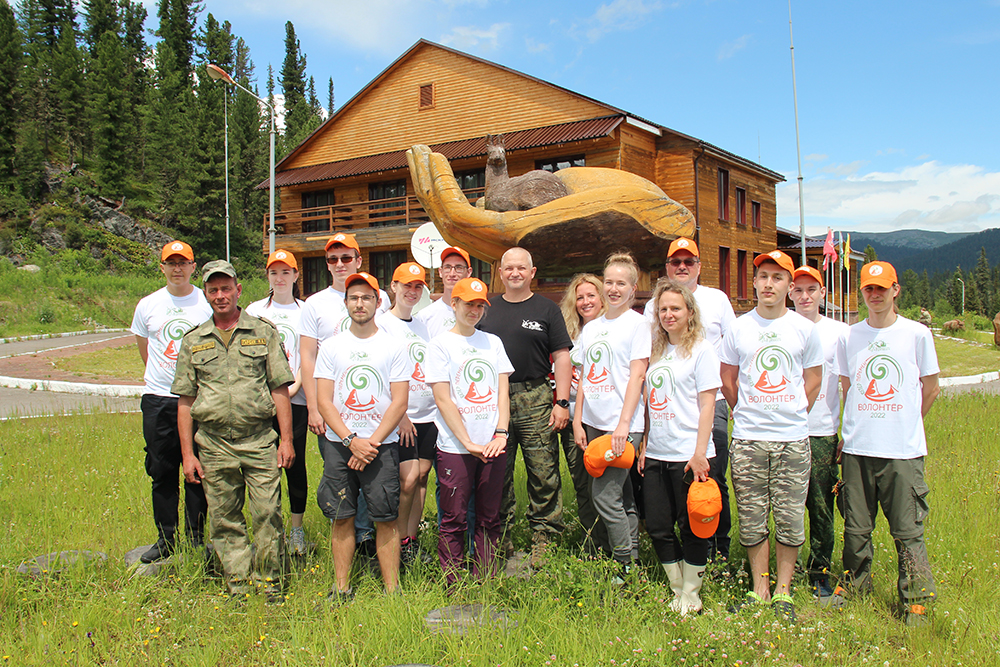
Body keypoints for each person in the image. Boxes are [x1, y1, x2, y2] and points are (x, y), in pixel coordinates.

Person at [172, 260, 295, 600]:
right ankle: (238, 585)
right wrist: (188, 454)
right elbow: (186, 400)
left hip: (259, 439)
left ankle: (269, 583)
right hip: (213, 444)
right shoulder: (194, 340)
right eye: (213, 290)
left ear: (238, 290)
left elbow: (279, 388)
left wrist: (286, 440)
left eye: (226, 288)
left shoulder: (263, 332)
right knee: (224, 518)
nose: (220, 295)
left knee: (267, 513)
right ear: (206, 294)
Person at [720, 250, 822, 623]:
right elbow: (728, 378)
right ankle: (759, 589)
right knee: (752, 515)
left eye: (777, 278)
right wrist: (748, 410)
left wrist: (791, 412)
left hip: (792, 440)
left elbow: (813, 380)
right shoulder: (739, 328)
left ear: (789, 287)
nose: (768, 284)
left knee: (790, 516)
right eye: (763, 276)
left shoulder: (804, 329)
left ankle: (783, 591)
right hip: (748, 439)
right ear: (754, 282)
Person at [837, 261, 940, 627]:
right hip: (858, 449)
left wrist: (906, 421)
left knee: (908, 531)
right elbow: (848, 387)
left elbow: (931, 388)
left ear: (896, 290)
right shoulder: (849, 336)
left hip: (902, 452)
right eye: (869, 288)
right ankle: (853, 588)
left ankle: (916, 601)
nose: (875, 294)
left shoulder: (916, 334)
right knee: (855, 528)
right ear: (862, 293)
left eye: (882, 288)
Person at [314, 272, 409, 599]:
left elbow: (399, 401)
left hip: (382, 447)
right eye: (354, 298)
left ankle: (392, 590)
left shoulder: (393, 346)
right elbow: (324, 401)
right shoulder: (331, 347)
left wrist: (371, 443)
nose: (360, 303)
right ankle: (341, 588)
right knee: (342, 517)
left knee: (386, 517)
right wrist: (351, 441)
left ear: (377, 302)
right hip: (340, 445)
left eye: (366, 297)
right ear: (345, 303)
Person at [478, 247, 572, 567]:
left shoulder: (547, 309)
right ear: (500, 273)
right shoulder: (487, 309)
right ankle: (499, 538)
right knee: (497, 473)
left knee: (543, 472)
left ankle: (545, 538)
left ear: (532, 273)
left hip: (536, 398)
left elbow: (561, 356)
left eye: (521, 268)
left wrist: (561, 402)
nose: (515, 273)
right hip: (495, 401)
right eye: (509, 268)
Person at [644, 237, 736, 562]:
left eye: (688, 261)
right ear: (667, 267)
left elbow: (733, 350)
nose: (682, 267)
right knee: (672, 485)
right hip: (670, 401)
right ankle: (683, 551)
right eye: (676, 262)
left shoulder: (718, 299)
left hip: (711, 398)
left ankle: (717, 548)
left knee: (711, 477)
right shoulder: (653, 305)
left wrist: (733, 395)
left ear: (699, 265)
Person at [299, 233, 390, 557]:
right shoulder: (314, 304)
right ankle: (351, 535)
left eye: (346, 258)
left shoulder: (381, 297)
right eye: (333, 259)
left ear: (358, 260)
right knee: (341, 479)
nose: (339, 264)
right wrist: (313, 407)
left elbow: (388, 351)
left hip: (373, 410)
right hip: (333, 410)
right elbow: (307, 356)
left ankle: (367, 537)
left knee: (372, 474)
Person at [425, 277, 513, 584]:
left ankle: (485, 578)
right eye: (468, 304)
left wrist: (501, 433)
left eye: (479, 306)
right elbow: (442, 398)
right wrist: (466, 441)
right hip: (455, 446)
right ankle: (453, 581)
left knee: (489, 516)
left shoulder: (493, 343)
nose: (474, 311)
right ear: (454, 304)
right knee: (454, 517)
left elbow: (502, 393)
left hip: (492, 444)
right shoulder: (439, 345)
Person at [641, 279, 721, 615]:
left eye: (675, 308)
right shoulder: (655, 351)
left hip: (690, 455)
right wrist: (645, 443)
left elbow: (708, 405)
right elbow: (649, 402)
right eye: (663, 309)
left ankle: (692, 593)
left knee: (693, 527)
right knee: (658, 526)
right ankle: (677, 589)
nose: (668, 314)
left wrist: (700, 452)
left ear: (690, 312)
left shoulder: (702, 350)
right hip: (657, 453)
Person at [131, 241, 211, 563]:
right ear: (162, 267)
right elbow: (145, 348)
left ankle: (195, 537)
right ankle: (166, 537)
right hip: (159, 399)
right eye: (171, 263)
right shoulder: (148, 304)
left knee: (197, 469)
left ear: (193, 267)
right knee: (161, 469)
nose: (177, 268)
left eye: (183, 262)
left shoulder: (206, 303)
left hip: (199, 398)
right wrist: (163, 381)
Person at [573, 252, 650, 581]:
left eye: (621, 283)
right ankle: (633, 558)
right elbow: (585, 376)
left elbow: (638, 376)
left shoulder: (638, 325)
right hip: (594, 422)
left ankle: (622, 564)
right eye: (609, 282)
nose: (614, 289)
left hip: (622, 425)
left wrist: (624, 426)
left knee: (603, 495)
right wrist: (578, 420)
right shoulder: (592, 328)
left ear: (633, 288)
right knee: (622, 494)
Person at [789, 265, 849, 605]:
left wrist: (846, 432)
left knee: (821, 505)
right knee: (787, 506)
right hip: (784, 430)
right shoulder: (782, 327)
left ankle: (820, 571)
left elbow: (849, 385)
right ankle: (789, 569)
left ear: (823, 293)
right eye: (798, 290)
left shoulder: (839, 333)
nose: (805, 296)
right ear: (790, 293)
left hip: (821, 431)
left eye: (811, 289)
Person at [245, 250, 310, 556]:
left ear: (296, 275)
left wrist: (295, 385)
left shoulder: (306, 310)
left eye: (286, 272)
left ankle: (297, 529)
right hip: (261, 401)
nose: (280, 278)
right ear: (267, 276)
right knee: (263, 466)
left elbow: (311, 352)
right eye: (274, 273)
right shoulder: (255, 310)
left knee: (294, 464)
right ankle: (269, 528)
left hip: (296, 399)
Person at [375, 262, 437, 567]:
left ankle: (411, 541)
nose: (412, 292)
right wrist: (399, 416)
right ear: (393, 287)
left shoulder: (422, 324)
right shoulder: (383, 324)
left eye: (417, 287)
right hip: (403, 417)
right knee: (408, 479)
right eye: (406, 285)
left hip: (428, 415)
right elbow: (380, 373)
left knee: (422, 477)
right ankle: (395, 542)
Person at [557, 273, 609, 553]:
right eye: (580, 297)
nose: (586, 302)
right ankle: (592, 544)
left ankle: (614, 543)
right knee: (581, 481)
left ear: (602, 298)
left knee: (605, 484)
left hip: (601, 417)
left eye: (591, 295)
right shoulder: (568, 333)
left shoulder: (611, 330)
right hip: (571, 416)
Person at [414, 246, 473, 338]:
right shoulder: (425, 316)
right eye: (447, 267)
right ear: (440, 272)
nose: (452, 274)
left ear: (469, 272)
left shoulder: (476, 314)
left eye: (458, 268)